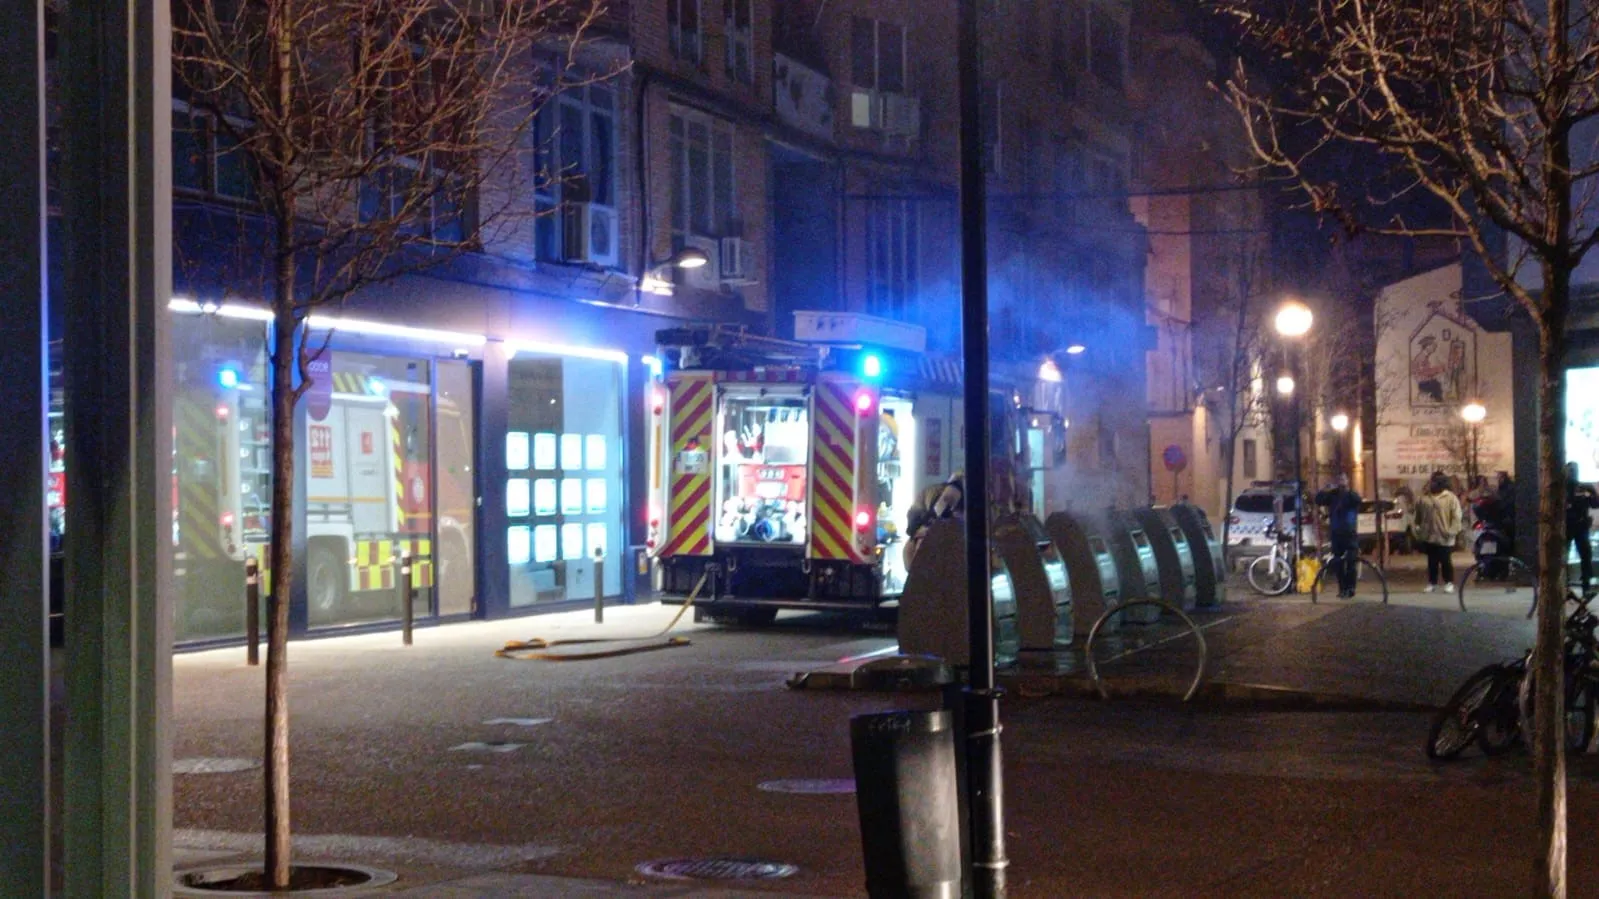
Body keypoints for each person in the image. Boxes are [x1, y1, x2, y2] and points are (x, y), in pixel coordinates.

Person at [1315, 472, 1363, 598]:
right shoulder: (1333, 495)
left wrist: (1347, 490)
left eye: (1343, 479)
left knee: (1351, 561)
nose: (1341, 481)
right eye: (1339, 479)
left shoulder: (1352, 495)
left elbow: (1358, 501)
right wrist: (1325, 489)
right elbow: (1318, 500)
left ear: (1347, 481)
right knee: (1338, 562)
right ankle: (1342, 589)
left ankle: (1350, 588)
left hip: (1350, 533)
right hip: (1336, 533)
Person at [1414, 471, 1463, 593]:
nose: (1431, 484)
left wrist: (1451, 531)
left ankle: (1449, 582)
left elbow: (1457, 517)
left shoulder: (1450, 498)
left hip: (1445, 536)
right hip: (1429, 535)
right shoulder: (1424, 498)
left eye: (1434, 482)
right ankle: (1432, 582)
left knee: (1445, 560)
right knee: (1432, 561)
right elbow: (1418, 516)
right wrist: (1418, 530)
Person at [1567, 461, 1597, 595]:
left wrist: (1592, 493)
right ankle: (1564, 585)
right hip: (1567, 527)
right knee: (1563, 556)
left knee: (1586, 555)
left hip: (1580, 527)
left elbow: (1595, 504)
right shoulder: (1562, 489)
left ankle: (1586, 585)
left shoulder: (1583, 487)